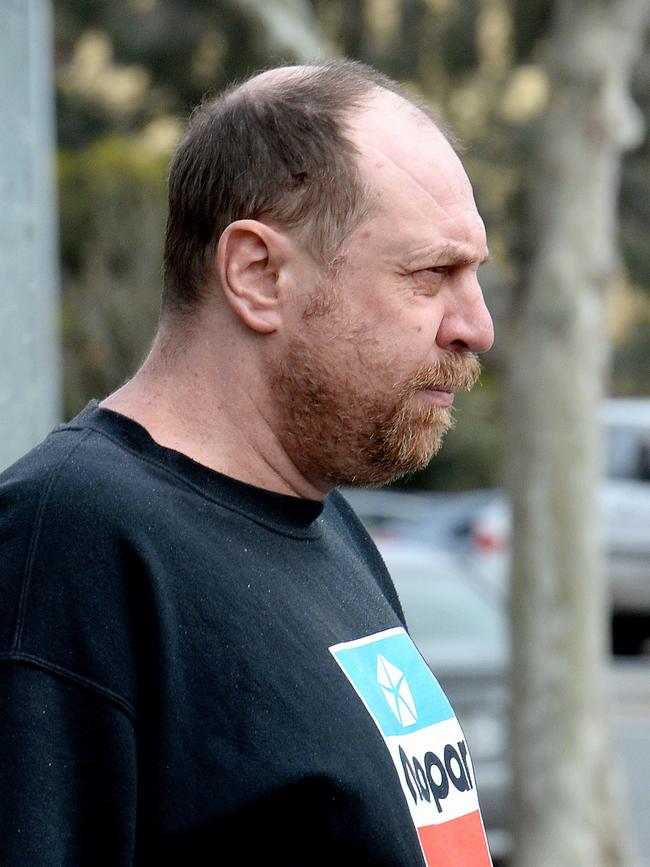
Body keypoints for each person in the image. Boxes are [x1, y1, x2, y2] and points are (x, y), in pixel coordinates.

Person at [0, 59, 494, 866]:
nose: (476, 325)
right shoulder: (69, 548)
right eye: (431, 274)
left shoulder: (324, 519)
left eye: (474, 274)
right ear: (257, 274)